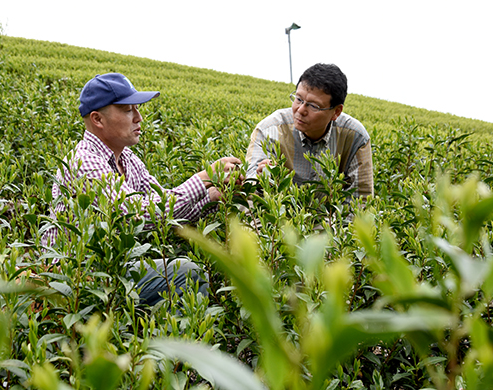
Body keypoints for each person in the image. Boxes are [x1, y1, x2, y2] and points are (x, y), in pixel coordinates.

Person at [43, 73, 242, 305]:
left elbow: (165, 212)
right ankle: (178, 340)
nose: (139, 118)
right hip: (75, 277)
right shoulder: (84, 161)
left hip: (110, 269)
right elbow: (135, 215)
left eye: (137, 109)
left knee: (181, 271)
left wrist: (213, 195)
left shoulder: (128, 159)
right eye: (128, 110)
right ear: (97, 119)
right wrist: (205, 177)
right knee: (187, 272)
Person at [245, 63, 373, 198]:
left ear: (336, 112)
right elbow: (251, 192)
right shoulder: (269, 130)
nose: (300, 110)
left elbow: (361, 199)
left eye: (313, 106)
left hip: (331, 218)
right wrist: (262, 181)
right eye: (298, 99)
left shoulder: (355, 138)